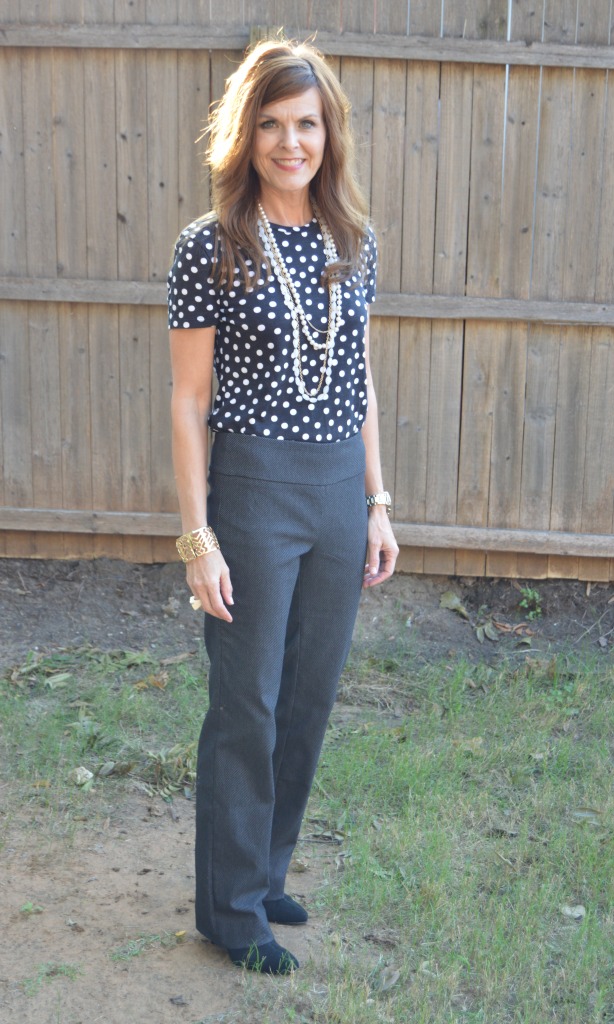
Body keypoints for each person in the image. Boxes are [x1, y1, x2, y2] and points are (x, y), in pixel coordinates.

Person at [167, 38, 398, 975]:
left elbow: (361, 374)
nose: (289, 141)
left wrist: (378, 502)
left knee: (307, 695)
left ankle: (263, 875)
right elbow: (188, 400)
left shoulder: (354, 240)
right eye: (270, 123)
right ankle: (228, 912)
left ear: (327, 132)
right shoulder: (210, 244)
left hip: (341, 489)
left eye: (305, 123)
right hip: (256, 489)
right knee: (247, 703)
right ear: (245, 132)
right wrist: (198, 537)